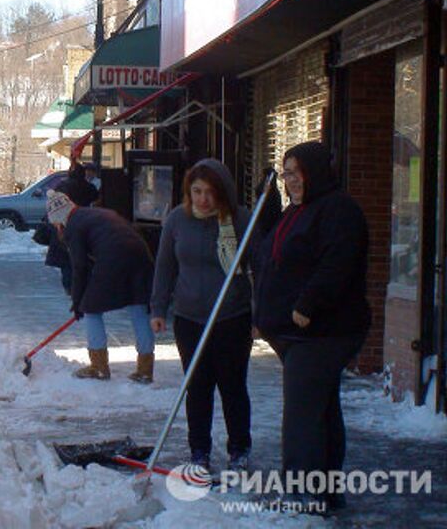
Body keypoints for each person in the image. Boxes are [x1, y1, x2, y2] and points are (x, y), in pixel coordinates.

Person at [252, 141, 370, 511]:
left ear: (316, 171)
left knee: (302, 413)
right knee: (321, 409)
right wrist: (268, 205)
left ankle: (300, 493)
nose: (291, 181)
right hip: (295, 332)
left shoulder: (338, 209)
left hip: (323, 329)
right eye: (287, 173)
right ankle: (326, 491)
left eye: (297, 172)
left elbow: (338, 261)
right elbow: (271, 254)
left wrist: (309, 302)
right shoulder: (297, 211)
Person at [150, 159, 253, 471]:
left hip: (231, 316)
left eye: (210, 192)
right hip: (189, 316)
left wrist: (259, 315)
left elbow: (261, 267)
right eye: (196, 191)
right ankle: (199, 450)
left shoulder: (240, 220)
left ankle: (239, 447)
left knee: (232, 384)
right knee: (197, 386)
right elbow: (165, 266)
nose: (203, 199)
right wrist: (158, 307)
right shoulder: (177, 220)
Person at [46, 190, 155, 383]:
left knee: (91, 310)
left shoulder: (73, 226)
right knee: (138, 307)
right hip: (141, 255)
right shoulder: (94, 214)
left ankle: (98, 367)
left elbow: (79, 266)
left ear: (59, 219)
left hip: (114, 259)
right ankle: (145, 370)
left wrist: (79, 301)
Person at [33, 163, 98, 295]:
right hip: (81, 224)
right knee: (80, 256)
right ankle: (80, 286)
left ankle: (69, 286)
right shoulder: (88, 187)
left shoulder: (61, 186)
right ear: (83, 173)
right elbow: (96, 198)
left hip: (61, 226)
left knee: (65, 259)